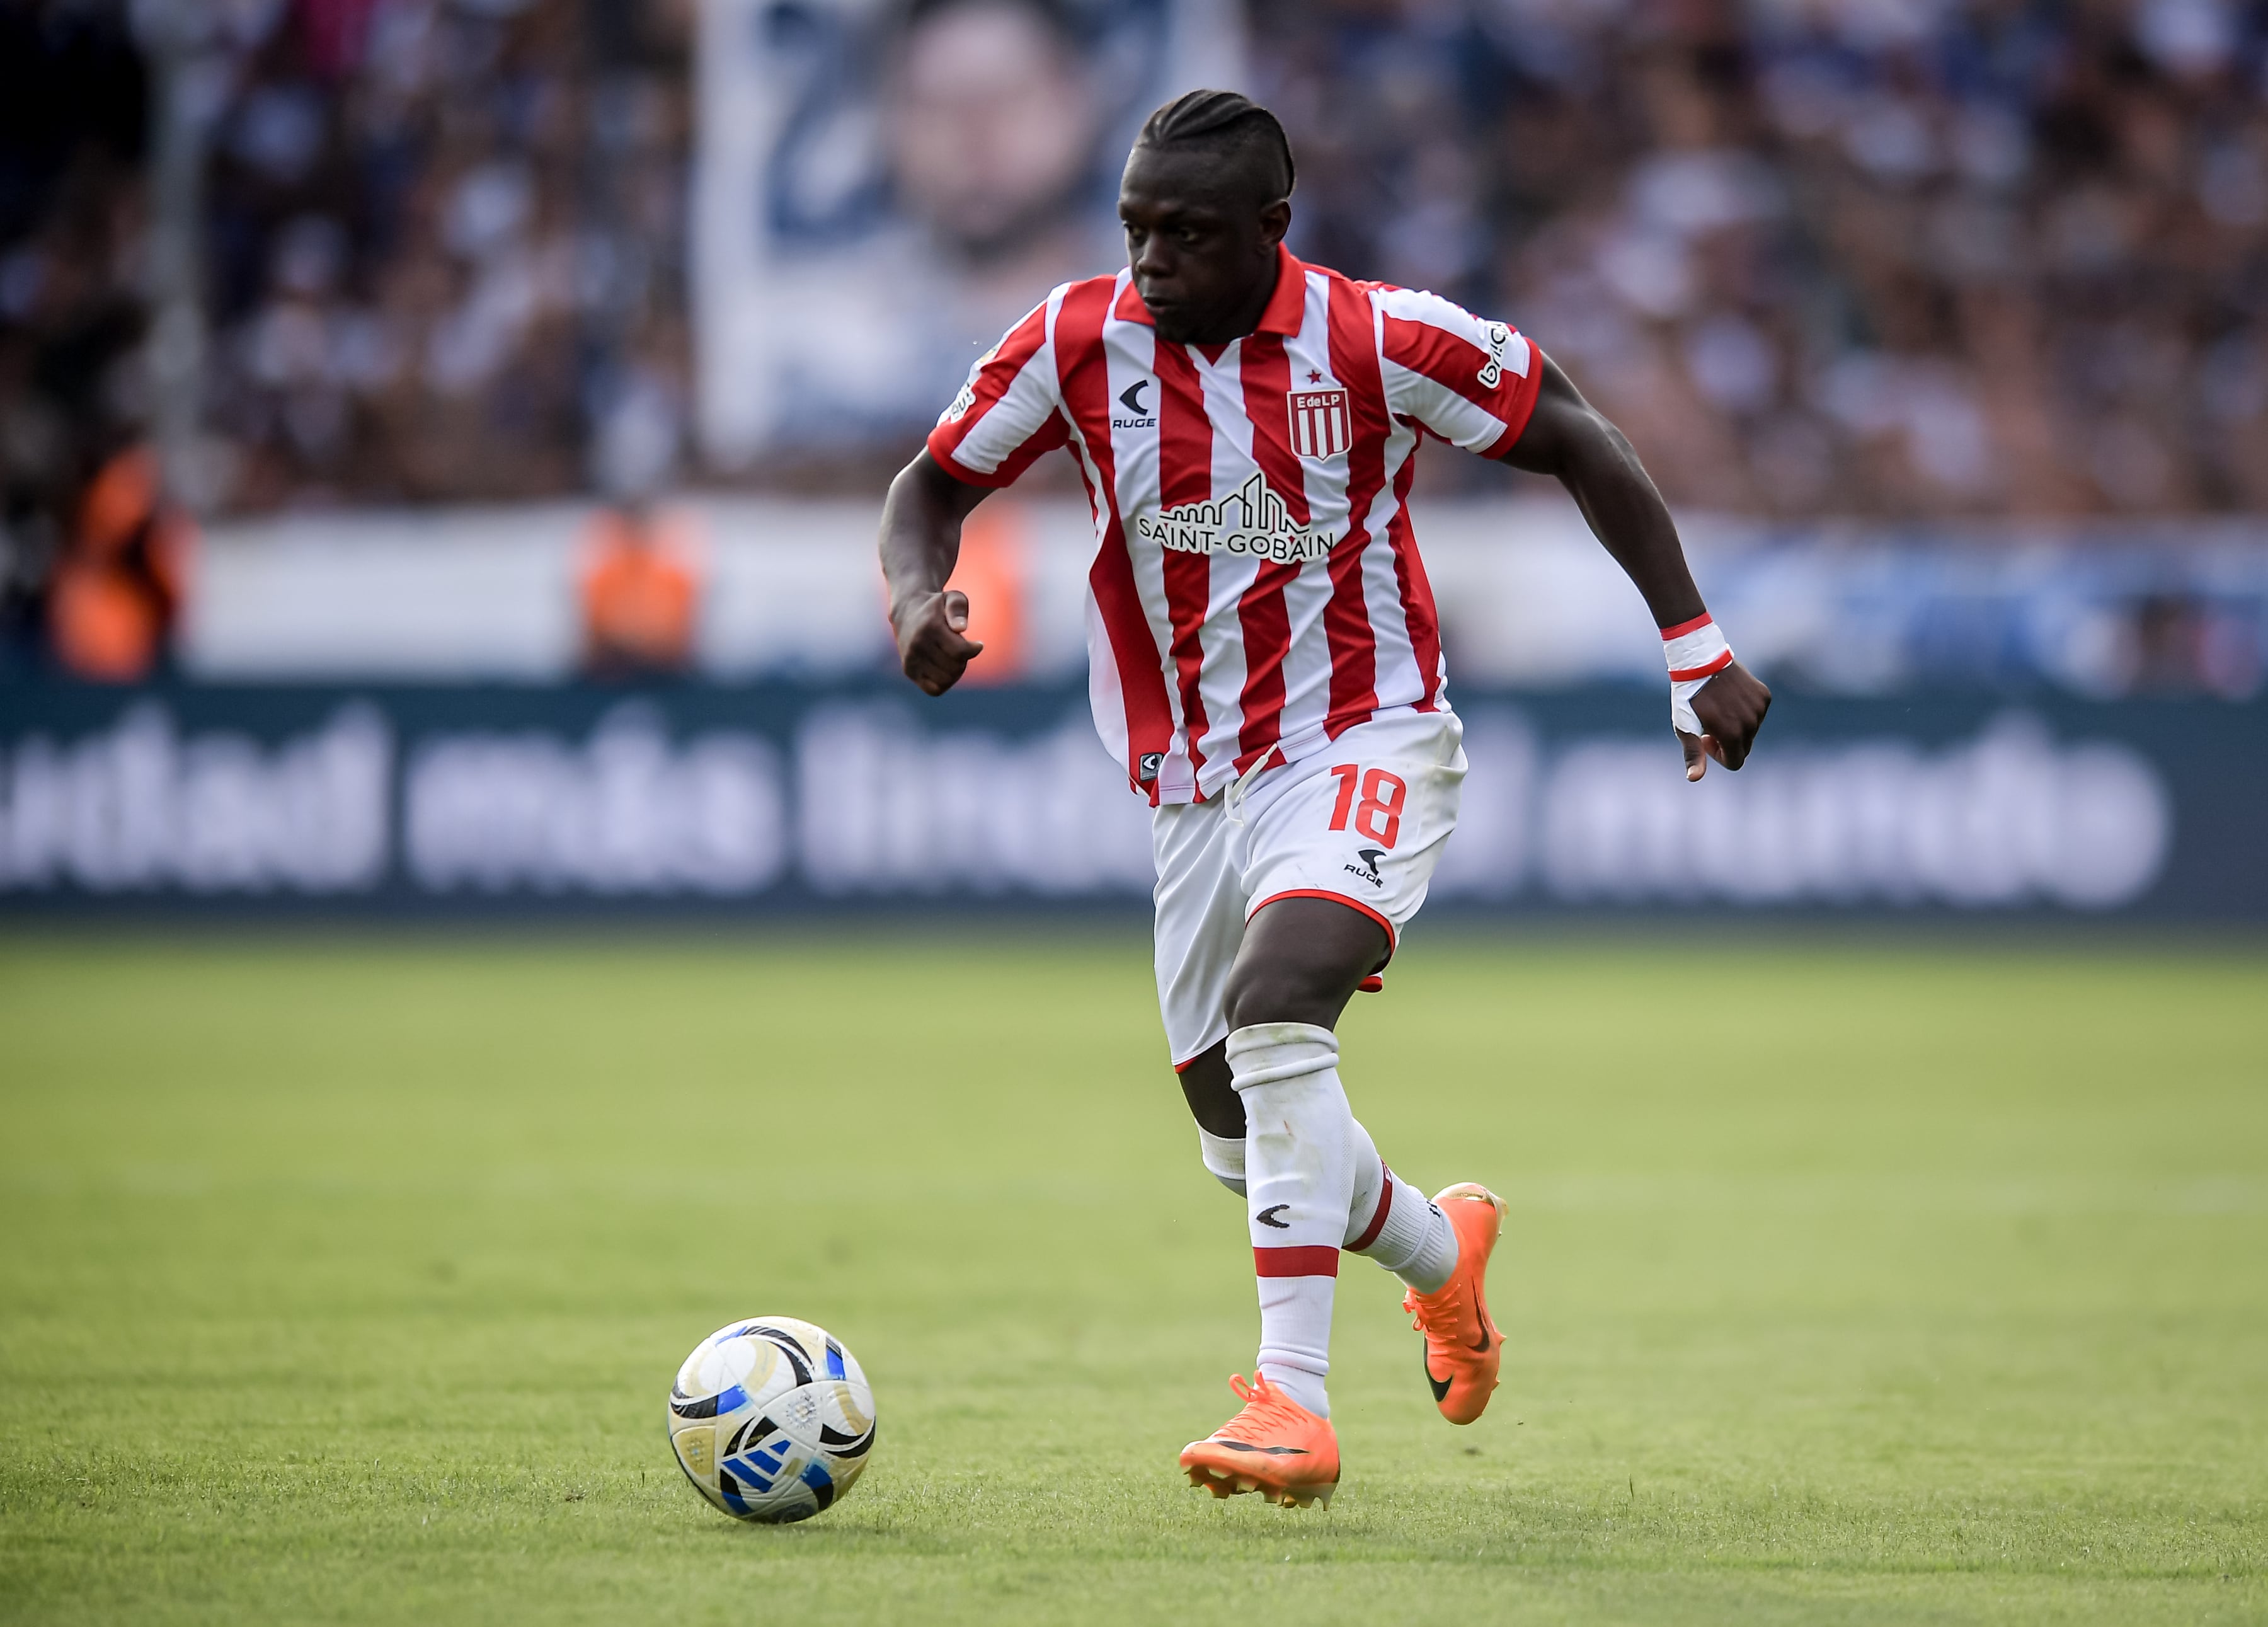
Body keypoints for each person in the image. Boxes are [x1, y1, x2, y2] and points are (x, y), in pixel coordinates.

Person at [878, 89, 1772, 1509]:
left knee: (1279, 999)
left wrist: (1697, 646)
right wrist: (918, 596)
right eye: (1135, 228)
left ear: (1270, 233)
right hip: (1192, 785)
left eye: (1186, 233)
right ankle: (1441, 1255)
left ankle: (1291, 1401)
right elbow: (930, 484)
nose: (1153, 259)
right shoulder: (1072, 338)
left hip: (1367, 733)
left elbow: (1577, 433)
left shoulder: (1374, 338)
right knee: (1246, 1145)